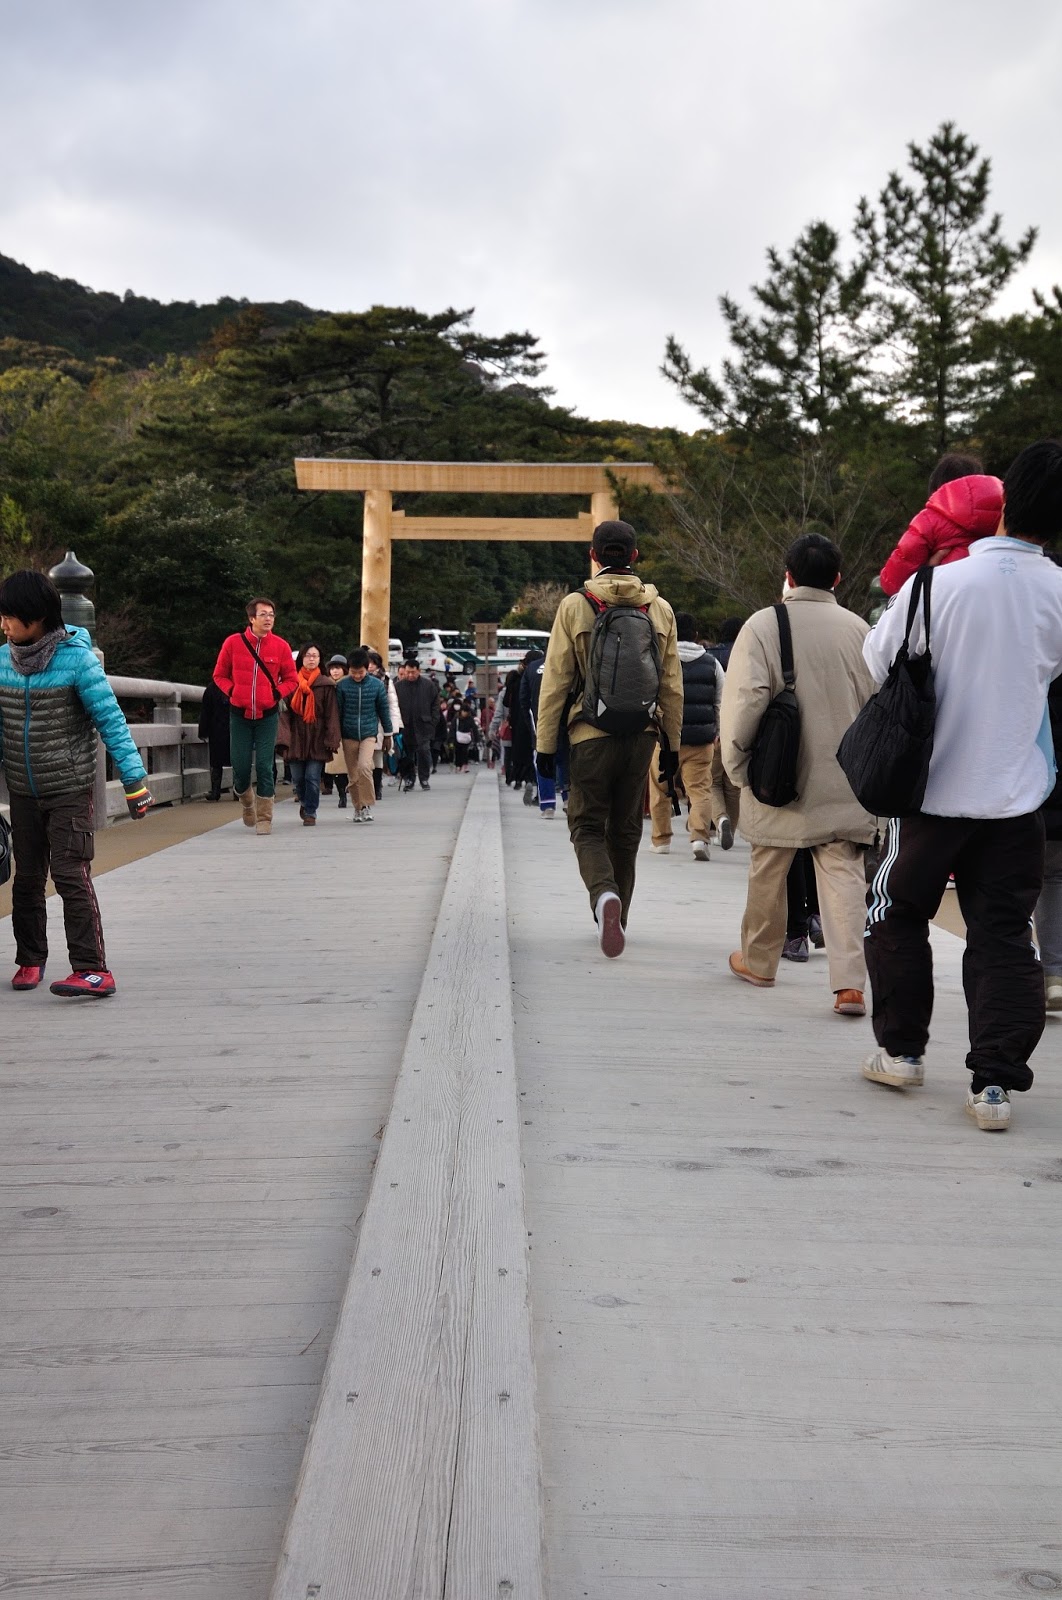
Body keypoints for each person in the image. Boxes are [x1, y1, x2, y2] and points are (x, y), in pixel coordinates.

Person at [862, 440, 1062, 1131]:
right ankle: (994, 1086)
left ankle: (902, 1052)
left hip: (931, 792)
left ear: (1005, 502)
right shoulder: (1058, 592)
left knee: (896, 912)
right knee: (1003, 935)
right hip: (1018, 796)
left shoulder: (935, 585)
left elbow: (878, 659)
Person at [720, 532, 876, 1015]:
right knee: (843, 871)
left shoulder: (764, 625)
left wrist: (737, 765)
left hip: (780, 772)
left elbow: (747, 700)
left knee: (769, 865)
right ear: (838, 578)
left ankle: (759, 962)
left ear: (787, 576)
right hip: (847, 774)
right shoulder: (860, 631)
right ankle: (849, 984)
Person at [0, 569, 153, 998]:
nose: (4, 624)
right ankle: (30, 958)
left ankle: (92, 969)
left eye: (10, 616)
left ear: (36, 616)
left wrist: (134, 780)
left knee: (70, 874)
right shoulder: (2, 661)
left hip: (69, 787)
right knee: (27, 878)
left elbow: (111, 720)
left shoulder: (78, 660)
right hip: (23, 789)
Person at [535, 519, 682, 957]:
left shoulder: (575, 605)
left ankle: (603, 896)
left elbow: (556, 681)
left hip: (589, 733)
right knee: (626, 829)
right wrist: (672, 747)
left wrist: (545, 746)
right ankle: (620, 914)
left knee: (586, 825)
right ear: (634, 556)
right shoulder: (659, 609)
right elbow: (672, 685)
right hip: (641, 735)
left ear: (593, 555)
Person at [213, 597, 298, 836]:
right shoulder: (233, 643)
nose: (268, 618)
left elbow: (292, 679)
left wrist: (276, 693)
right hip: (239, 714)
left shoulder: (281, 646)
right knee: (240, 768)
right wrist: (233, 691)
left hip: (267, 715)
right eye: (263, 614)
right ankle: (246, 800)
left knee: (264, 766)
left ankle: (264, 817)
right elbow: (219, 675)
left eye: (271, 614)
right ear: (251, 618)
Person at [648, 613, 725, 859]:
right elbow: (720, 702)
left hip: (665, 738)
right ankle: (700, 838)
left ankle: (661, 840)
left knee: (659, 788)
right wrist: (718, 731)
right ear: (696, 636)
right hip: (701, 740)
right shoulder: (712, 664)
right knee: (700, 789)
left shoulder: (660, 661)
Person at [878, 452, 1003, 596]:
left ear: (936, 490)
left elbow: (892, 582)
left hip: (942, 598)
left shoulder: (928, 520)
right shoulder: (1004, 518)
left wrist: (927, 572)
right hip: (991, 595)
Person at [276, 644, 341, 827]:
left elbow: (332, 714)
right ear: (301, 659)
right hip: (295, 736)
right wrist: (283, 738)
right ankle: (304, 803)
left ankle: (311, 812)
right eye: (308, 655)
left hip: (317, 737)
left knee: (312, 777)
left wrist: (332, 738)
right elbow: (284, 713)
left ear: (320, 659)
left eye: (315, 656)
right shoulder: (291, 684)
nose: (311, 659)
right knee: (298, 779)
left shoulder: (326, 685)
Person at [335, 648, 392, 822]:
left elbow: (384, 710)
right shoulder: (342, 686)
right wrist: (335, 735)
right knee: (353, 774)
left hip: (369, 733)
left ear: (367, 669)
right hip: (348, 734)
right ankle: (357, 808)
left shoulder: (376, 685)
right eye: (353, 672)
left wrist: (388, 734)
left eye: (360, 672)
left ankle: (367, 805)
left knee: (365, 767)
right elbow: (338, 712)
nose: (357, 675)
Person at [395, 659, 440, 791]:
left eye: (413, 672)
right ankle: (409, 779)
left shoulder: (428, 685)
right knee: (406, 754)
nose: (410, 675)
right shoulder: (398, 686)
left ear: (419, 671)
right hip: (405, 726)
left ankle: (424, 778)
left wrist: (433, 721)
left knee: (424, 752)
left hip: (424, 725)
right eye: (408, 672)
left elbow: (435, 705)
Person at [366, 648, 401, 801]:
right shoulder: (358, 678)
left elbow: (392, 704)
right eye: (368, 663)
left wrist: (393, 727)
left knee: (378, 755)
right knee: (364, 758)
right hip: (365, 721)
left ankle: (377, 786)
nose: (370, 666)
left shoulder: (385, 680)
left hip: (380, 722)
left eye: (373, 663)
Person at [321, 654, 351, 807]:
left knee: (351, 765)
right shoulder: (326, 685)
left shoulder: (350, 684)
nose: (335, 671)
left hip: (350, 729)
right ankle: (342, 795)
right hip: (333, 730)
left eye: (338, 668)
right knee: (337, 766)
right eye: (332, 668)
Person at [197, 677, 232, 802]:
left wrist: (203, 731)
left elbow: (206, 712)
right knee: (237, 762)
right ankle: (238, 791)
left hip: (217, 729)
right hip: (233, 729)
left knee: (216, 762)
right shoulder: (236, 684)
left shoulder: (212, 687)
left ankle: (215, 791)